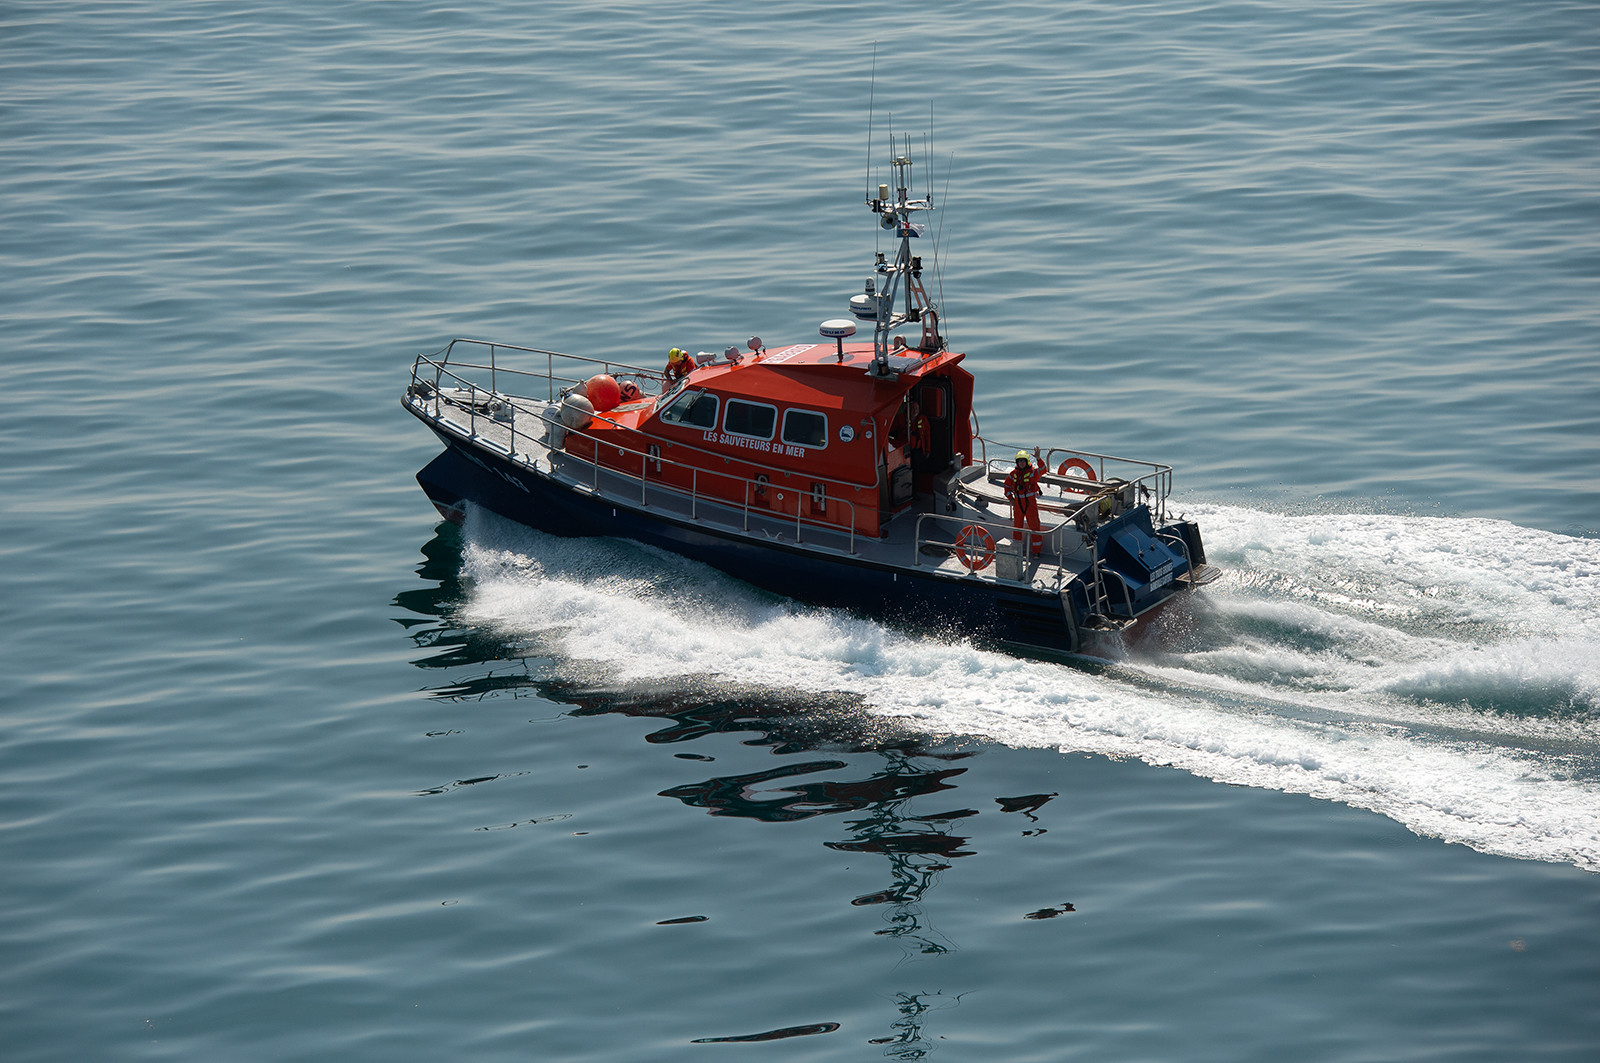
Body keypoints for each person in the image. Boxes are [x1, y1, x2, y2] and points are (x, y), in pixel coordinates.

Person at [1003, 449, 1045, 556]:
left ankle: (1037, 552)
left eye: (1023, 461)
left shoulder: (1033, 473)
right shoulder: (1013, 475)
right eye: (1019, 461)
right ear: (1017, 462)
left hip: (1030, 504)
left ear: (1027, 462)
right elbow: (1006, 487)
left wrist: (1038, 458)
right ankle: (1017, 551)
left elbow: (1043, 469)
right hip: (1018, 504)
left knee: (1035, 527)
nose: (1021, 463)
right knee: (1017, 528)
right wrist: (1011, 499)